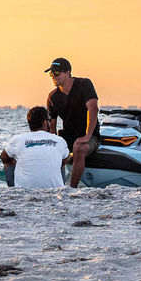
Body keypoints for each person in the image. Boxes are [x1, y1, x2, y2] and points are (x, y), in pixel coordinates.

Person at [44, 57, 100, 188]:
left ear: (68, 72)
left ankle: (71, 190)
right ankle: (53, 187)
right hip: (67, 138)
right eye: (51, 73)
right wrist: (53, 146)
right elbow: (51, 128)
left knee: (78, 147)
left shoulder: (84, 84)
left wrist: (87, 136)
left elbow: (93, 108)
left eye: (56, 73)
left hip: (91, 137)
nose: (53, 76)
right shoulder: (52, 97)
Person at [0, 106, 68, 188]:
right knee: (61, 162)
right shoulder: (59, 140)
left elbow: (3, 157)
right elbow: (66, 159)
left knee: (9, 161)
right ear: (44, 123)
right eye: (49, 120)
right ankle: (60, 187)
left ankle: (14, 189)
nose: (50, 123)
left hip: (25, 192)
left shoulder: (18, 139)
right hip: (54, 193)